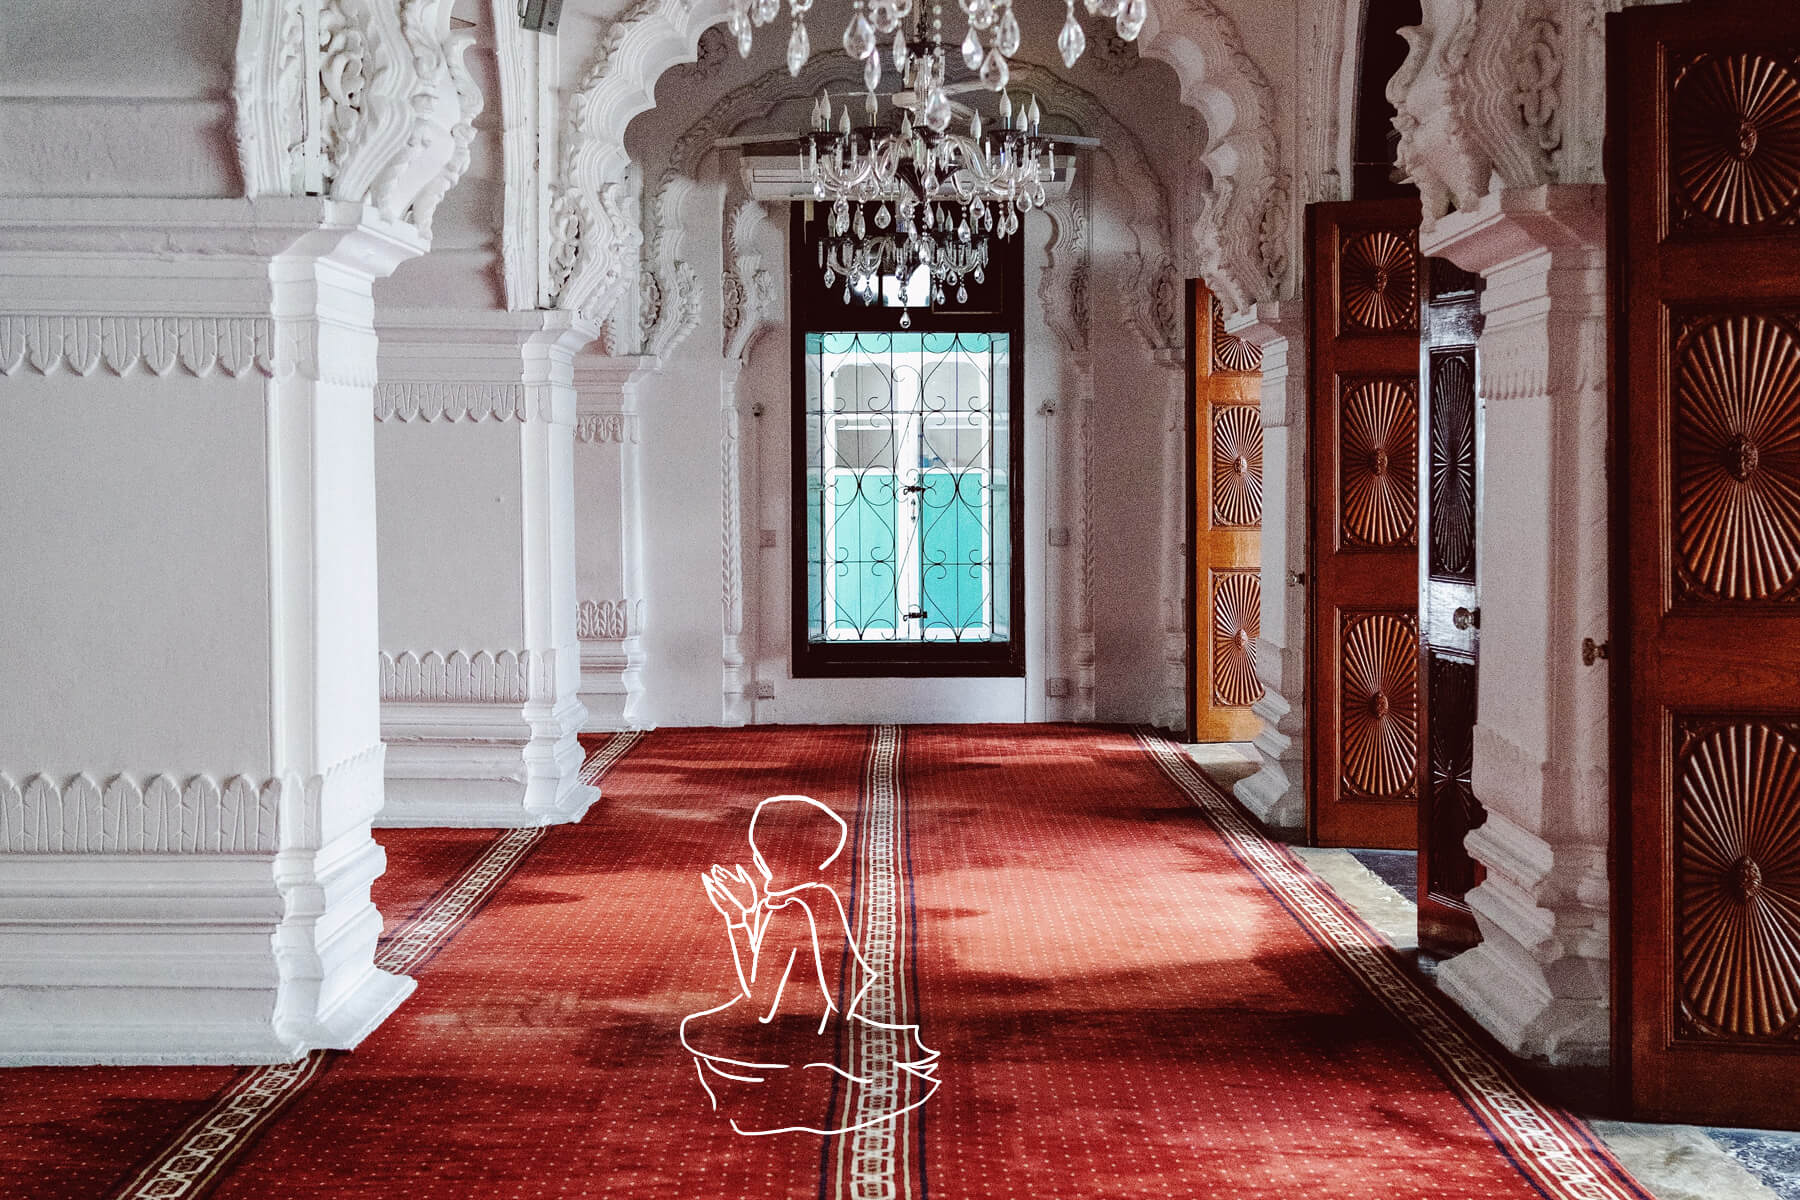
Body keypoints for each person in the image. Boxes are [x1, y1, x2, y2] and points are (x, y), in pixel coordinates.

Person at [680, 794, 939, 1136]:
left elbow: (758, 995)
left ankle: (791, 1085)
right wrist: (745, 914)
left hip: (795, 1026)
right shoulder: (819, 895)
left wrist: (739, 918)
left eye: (761, 850)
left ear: (767, 854)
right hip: (823, 1017)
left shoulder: (789, 907)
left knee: (698, 1032)